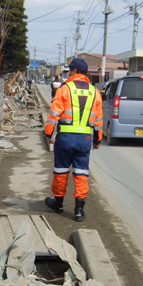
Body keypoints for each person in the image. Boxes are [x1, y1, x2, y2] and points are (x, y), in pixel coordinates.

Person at [44, 58, 103, 221]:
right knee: (81, 173)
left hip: (65, 138)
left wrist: (49, 134)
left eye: (70, 70)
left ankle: (58, 203)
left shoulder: (64, 89)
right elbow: (98, 119)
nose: (69, 72)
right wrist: (97, 140)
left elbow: (54, 114)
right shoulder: (95, 92)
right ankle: (79, 211)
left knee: (61, 171)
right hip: (84, 139)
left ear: (75, 71)